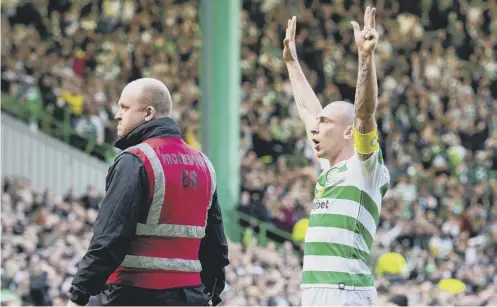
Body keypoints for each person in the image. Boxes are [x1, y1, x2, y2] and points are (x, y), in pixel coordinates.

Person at [67, 78, 229, 306]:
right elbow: (216, 243)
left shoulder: (136, 160)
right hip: (191, 296)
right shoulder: (204, 164)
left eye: (124, 107)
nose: (117, 115)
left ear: (148, 113)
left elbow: (109, 238)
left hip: (134, 294)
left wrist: (79, 295)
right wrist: (213, 291)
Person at [283, 7, 390, 306]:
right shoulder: (330, 170)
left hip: (345, 292)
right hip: (315, 292)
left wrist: (365, 59)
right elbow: (307, 111)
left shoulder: (364, 168)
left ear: (349, 133)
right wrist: (293, 65)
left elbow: (365, 112)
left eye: (325, 123)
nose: (315, 129)